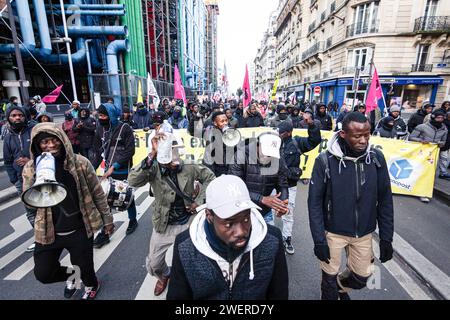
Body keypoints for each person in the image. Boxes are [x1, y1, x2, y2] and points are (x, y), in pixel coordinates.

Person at [22, 122, 114, 300]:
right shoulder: (31, 168)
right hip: (49, 231)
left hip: (79, 228)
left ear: (62, 139)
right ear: (36, 145)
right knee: (44, 273)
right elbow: (30, 202)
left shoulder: (80, 163)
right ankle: (73, 276)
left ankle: (91, 283)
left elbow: (97, 193)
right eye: (44, 142)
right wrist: (37, 179)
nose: (50, 145)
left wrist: (107, 220)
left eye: (54, 140)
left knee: (85, 267)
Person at [308, 112, 394, 300]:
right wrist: (318, 240)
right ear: (343, 135)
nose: (363, 140)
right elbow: (314, 202)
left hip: (363, 233)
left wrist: (387, 238)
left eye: (367, 134)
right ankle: (331, 290)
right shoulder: (324, 161)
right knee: (328, 281)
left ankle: (341, 286)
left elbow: (386, 199)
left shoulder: (377, 158)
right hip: (332, 232)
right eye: (357, 136)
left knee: (362, 277)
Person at [167, 175, 289, 300]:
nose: (241, 232)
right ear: (209, 215)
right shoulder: (185, 246)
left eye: (246, 219)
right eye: (229, 223)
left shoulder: (272, 240)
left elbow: (279, 293)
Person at [128, 132, 215, 296]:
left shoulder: (189, 166)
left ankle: (192, 281)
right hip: (164, 224)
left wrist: (200, 201)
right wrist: (151, 155)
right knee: (154, 264)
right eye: (170, 156)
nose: (175, 162)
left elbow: (210, 177)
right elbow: (132, 181)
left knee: (198, 258)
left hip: (189, 222)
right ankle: (164, 277)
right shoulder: (152, 168)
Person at [91, 103, 137, 248]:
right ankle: (106, 231)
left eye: (103, 116)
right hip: (107, 171)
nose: (101, 118)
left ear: (111, 115)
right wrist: (91, 168)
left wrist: (114, 166)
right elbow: (97, 151)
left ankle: (133, 219)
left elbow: (130, 151)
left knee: (126, 196)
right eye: (99, 115)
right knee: (105, 200)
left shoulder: (125, 128)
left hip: (122, 169)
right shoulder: (100, 129)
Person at [277, 116, 321, 255]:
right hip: (272, 184)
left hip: (289, 185)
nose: (279, 134)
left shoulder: (297, 142)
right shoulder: (272, 142)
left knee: (288, 212)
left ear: (289, 132)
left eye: (282, 132)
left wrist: (312, 125)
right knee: (268, 214)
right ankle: (269, 240)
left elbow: (314, 141)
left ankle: (286, 238)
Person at [230, 132, 289, 225]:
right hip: (242, 210)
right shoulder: (241, 155)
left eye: (271, 154)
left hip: (265, 211)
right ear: (257, 145)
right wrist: (262, 199)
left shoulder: (278, 159)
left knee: (271, 237)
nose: (268, 156)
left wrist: (283, 202)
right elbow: (235, 188)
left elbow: (282, 184)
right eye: (266, 152)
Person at [3, 105, 37, 252]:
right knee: (31, 211)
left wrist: (30, 160)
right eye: (14, 116)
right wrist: (15, 181)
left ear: (25, 117)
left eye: (20, 115)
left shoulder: (34, 131)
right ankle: (40, 238)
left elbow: (48, 151)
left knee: (49, 208)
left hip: (39, 178)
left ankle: (56, 236)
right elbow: (8, 161)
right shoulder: (8, 136)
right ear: (9, 118)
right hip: (21, 181)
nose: (17, 118)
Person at [409, 109, 449, 192]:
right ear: (433, 117)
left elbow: (443, 142)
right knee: (417, 170)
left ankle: (425, 191)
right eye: (438, 118)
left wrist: (440, 143)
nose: (440, 120)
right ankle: (412, 186)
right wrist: (421, 140)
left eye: (442, 118)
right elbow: (411, 137)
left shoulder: (444, 129)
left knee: (430, 173)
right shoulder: (422, 127)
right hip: (420, 153)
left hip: (433, 155)